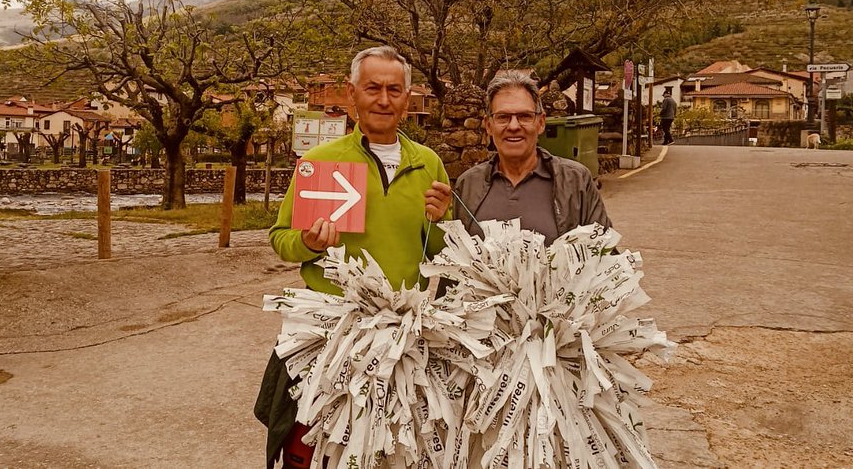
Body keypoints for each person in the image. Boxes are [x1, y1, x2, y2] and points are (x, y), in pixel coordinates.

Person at [256, 45, 452, 469]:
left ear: (407, 97)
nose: (384, 99)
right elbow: (280, 238)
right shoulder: (320, 161)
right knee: (313, 448)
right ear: (351, 94)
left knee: (394, 451)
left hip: (402, 336)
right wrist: (309, 242)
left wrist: (439, 222)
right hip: (331, 331)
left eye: (394, 89)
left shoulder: (428, 164)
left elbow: (440, 254)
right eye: (373, 88)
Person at [454, 73, 611, 241]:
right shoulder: (468, 185)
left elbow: (605, 254)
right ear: (488, 125)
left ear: (541, 122)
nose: (514, 126)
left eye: (524, 116)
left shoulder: (576, 181)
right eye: (503, 117)